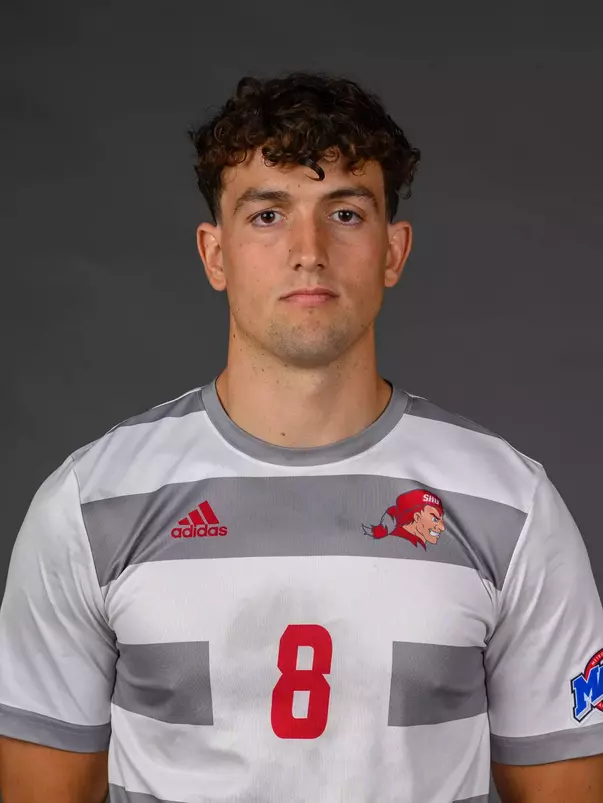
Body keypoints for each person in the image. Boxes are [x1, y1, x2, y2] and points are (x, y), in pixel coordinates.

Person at [0, 71, 602, 803]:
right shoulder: (88, 506)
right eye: (267, 215)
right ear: (214, 253)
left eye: (345, 213)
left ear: (392, 250)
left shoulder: (513, 508)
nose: (308, 249)